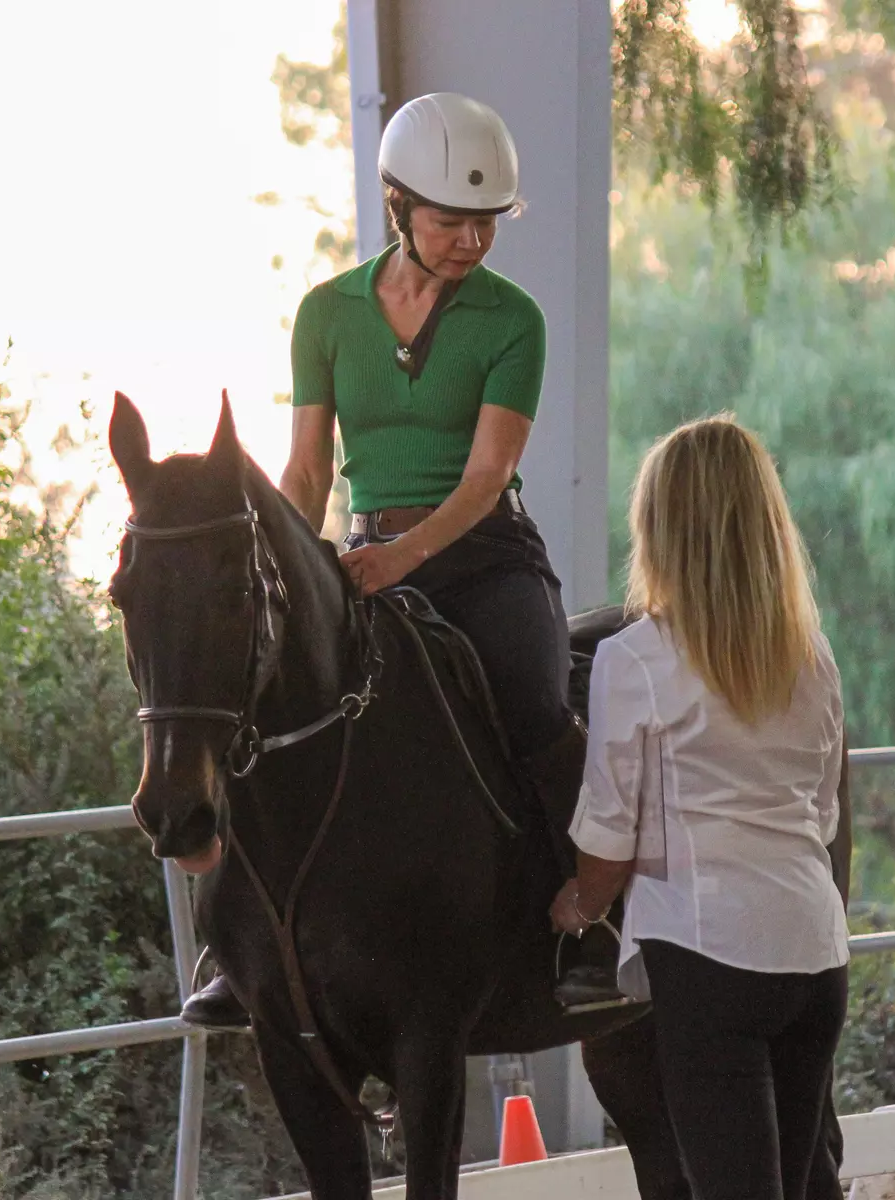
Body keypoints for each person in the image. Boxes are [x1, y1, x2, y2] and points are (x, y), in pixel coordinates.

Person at [180, 91, 623, 1030]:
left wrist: (398, 559)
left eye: (487, 223)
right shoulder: (325, 314)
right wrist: (295, 573)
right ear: (398, 205)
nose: (472, 241)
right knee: (266, 700)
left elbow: (487, 476)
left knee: (536, 705)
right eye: (451, 220)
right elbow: (306, 471)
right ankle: (237, 936)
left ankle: (591, 923)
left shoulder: (515, 320)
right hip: (366, 551)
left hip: (487, 553)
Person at [551, 414, 852, 1199]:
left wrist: (580, 904)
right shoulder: (811, 653)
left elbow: (609, 834)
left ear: (660, 529)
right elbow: (823, 815)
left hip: (708, 954)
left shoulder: (634, 659)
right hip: (815, 952)